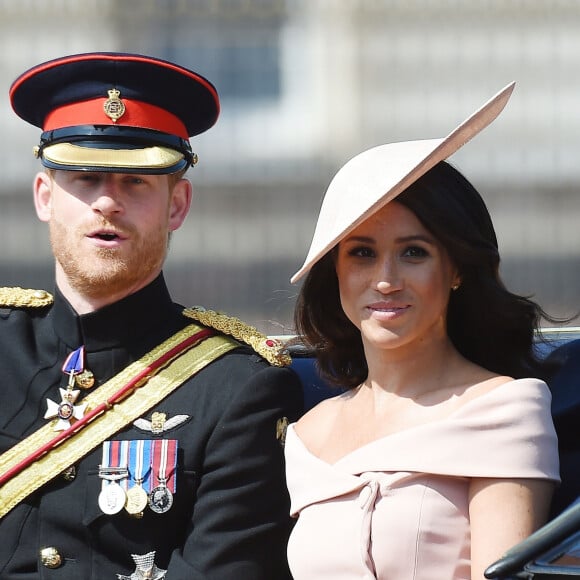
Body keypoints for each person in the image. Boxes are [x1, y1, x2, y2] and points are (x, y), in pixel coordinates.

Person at [0, 52, 303, 579]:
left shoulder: (237, 387)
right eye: (86, 177)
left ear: (177, 206)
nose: (107, 203)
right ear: (45, 197)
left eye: (136, 182)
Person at [284, 82, 561, 580]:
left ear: (456, 269)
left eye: (414, 252)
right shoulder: (306, 433)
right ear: (337, 274)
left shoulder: (503, 409)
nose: (386, 279)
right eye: (362, 253)